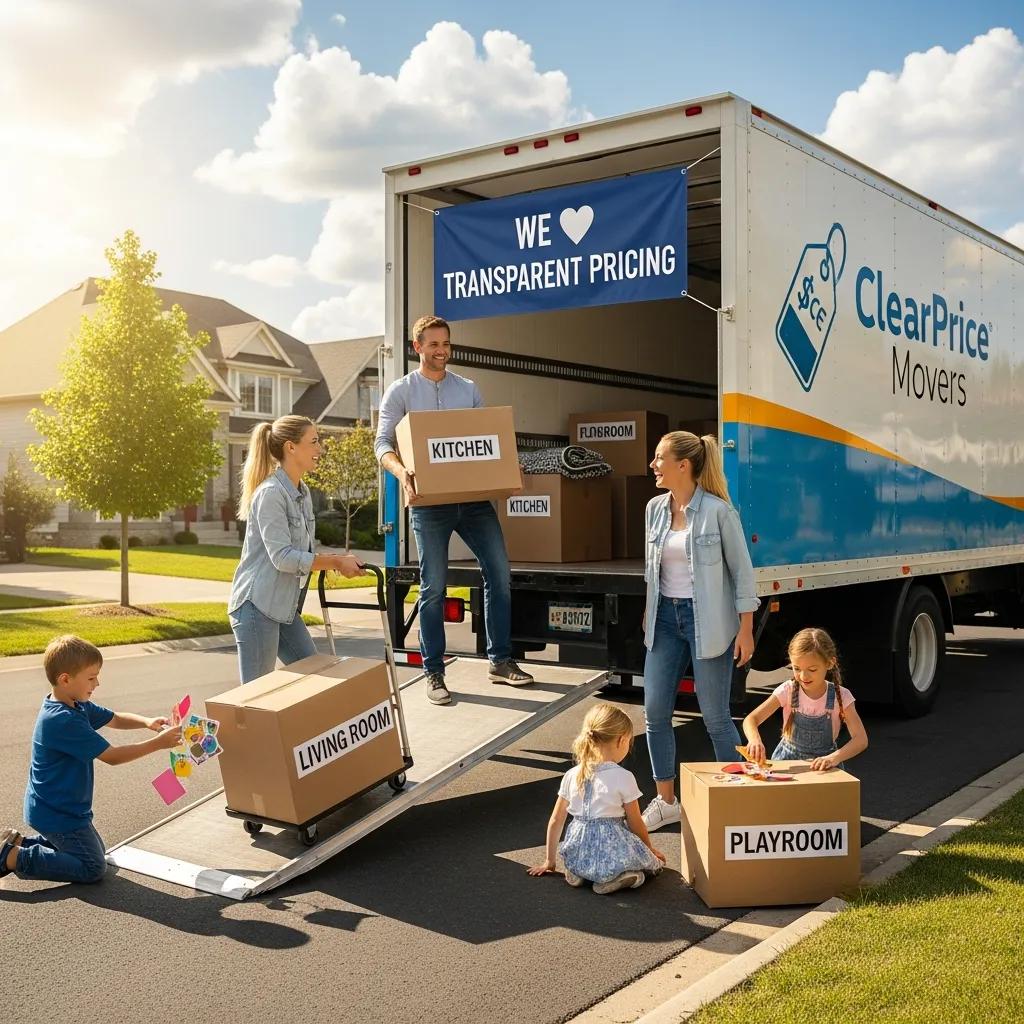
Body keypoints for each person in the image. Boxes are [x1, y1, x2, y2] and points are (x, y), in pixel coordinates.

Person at [375, 313, 533, 705]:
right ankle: (434, 672)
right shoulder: (401, 392)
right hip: (430, 506)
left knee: (499, 574)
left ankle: (500, 661)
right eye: (433, 344)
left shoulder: (469, 388)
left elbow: (485, 441)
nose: (441, 351)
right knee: (434, 588)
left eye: (445, 344)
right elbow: (382, 444)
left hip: (475, 502)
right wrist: (402, 472)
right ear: (418, 348)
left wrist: (507, 465)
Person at [640, 431, 759, 832]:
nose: (653, 466)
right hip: (663, 622)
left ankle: (738, 797)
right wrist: (648, 607)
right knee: (655, 712)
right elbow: (652, 570)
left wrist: (746, 630)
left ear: (683, 465)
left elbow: (742, 574)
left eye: (659, 458)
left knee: (715, 717)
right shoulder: (654, 509)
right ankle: (666, 801)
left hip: (706, 620)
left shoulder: (719, 512)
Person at [1, 635, 183, 885]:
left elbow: (115, 718)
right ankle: (11, 857)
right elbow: (113, 757)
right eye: (91, 677)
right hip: (55, 812)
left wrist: (147, 722)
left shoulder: (75, 704)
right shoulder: (63, 720)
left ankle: (20, 842)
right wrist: (158, 744)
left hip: (59, 808)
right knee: (92, 866)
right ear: (65, 679)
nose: (97, 683)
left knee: (94, 850)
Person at [229, 415, 364, 684]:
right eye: (313, 442)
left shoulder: (301, 493)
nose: (320, 449)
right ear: (291, 447)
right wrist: (336, 562)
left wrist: (332, 562)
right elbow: (283, 558)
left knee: (315, 677)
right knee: (255, 698)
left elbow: (302, 552)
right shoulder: (271, 494)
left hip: (284, 608)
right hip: (257, 607)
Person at [528, 704, 665, 893]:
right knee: (650, 866)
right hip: (610, 845)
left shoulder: (572, 774)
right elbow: (635, 822)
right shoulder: (623, 777)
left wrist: (549, 861)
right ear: (621, 740)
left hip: (578, 847)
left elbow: (556, 820)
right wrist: (649, 850)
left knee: (583, 857)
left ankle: (578, 872)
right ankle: (615, 879)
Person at [742, 627, 868, 770]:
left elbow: (861, 739)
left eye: (812, 669)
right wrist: (754, 740)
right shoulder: (788, 690)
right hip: (787, 763)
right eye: (796, 668)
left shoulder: (841, 696)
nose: (803, 676)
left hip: (825, 766)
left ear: (830, 663)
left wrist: (834, 758)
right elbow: (751, 719)